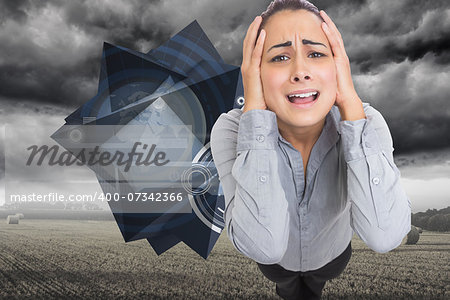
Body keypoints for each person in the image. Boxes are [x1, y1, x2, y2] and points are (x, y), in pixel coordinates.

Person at [210, 0, 412, 299]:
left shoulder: (366, 122)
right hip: (278, 263)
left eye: (316, 53)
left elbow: (385, 236)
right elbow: (263, 244)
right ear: (255, 72)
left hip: (331, 257)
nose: (300, 71)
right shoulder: (233, 130)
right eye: (279, 58)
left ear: (338, 65)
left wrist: (352, 112)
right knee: (287, 286)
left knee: (315, 285)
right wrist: (255, 111)